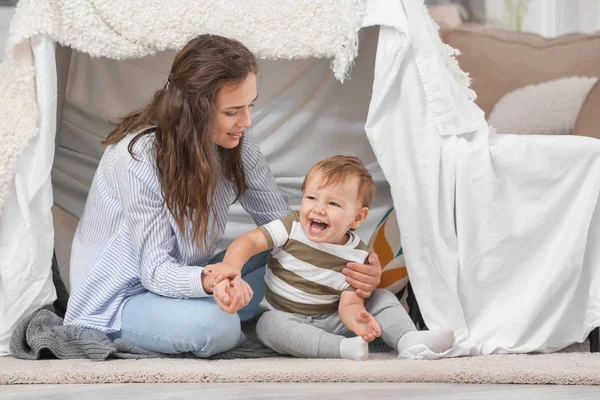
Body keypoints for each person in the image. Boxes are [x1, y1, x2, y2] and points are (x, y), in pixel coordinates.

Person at [64, 34, 382, 358]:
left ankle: (291, 315)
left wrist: (351, 263)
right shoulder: (138, 158)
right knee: (216, 328)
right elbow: (155, 270)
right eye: (233, 111)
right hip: (125, 298)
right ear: (196, 111)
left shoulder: (235, 139)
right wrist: (211, 280)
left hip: (194, 277)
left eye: (250, 105)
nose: (246, 121)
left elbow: (284, 227)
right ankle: (257, 321)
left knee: (304, 265)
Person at [205, 156, 455, 360]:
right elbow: (249, 242)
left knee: (382, 297)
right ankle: (339, 349)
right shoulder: (291, 227)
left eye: (333, 204)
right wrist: (231, 265)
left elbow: (349, 303)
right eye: (311, 198)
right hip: (287, 317)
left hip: (333, 318)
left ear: (357, 218)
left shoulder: (359, 254)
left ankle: (408, 340)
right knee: (268, 326)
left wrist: (357, 320)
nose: (318, 209)